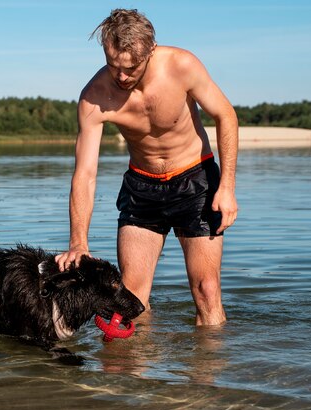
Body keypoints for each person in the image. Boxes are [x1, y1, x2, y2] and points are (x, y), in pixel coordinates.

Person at [55, 9, 238, 326]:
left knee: (207, 290)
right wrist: (78, 242)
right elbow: (84, 174)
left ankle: (208, 371)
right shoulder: (95, 97)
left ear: (150, 51)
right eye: (114, 65)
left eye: (131, 67)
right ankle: (132, 372)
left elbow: (226, 116)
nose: (121, 76)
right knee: (130, 299)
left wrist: (227, 187)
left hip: (196, 181)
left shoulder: (181, 66)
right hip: (143, 187)